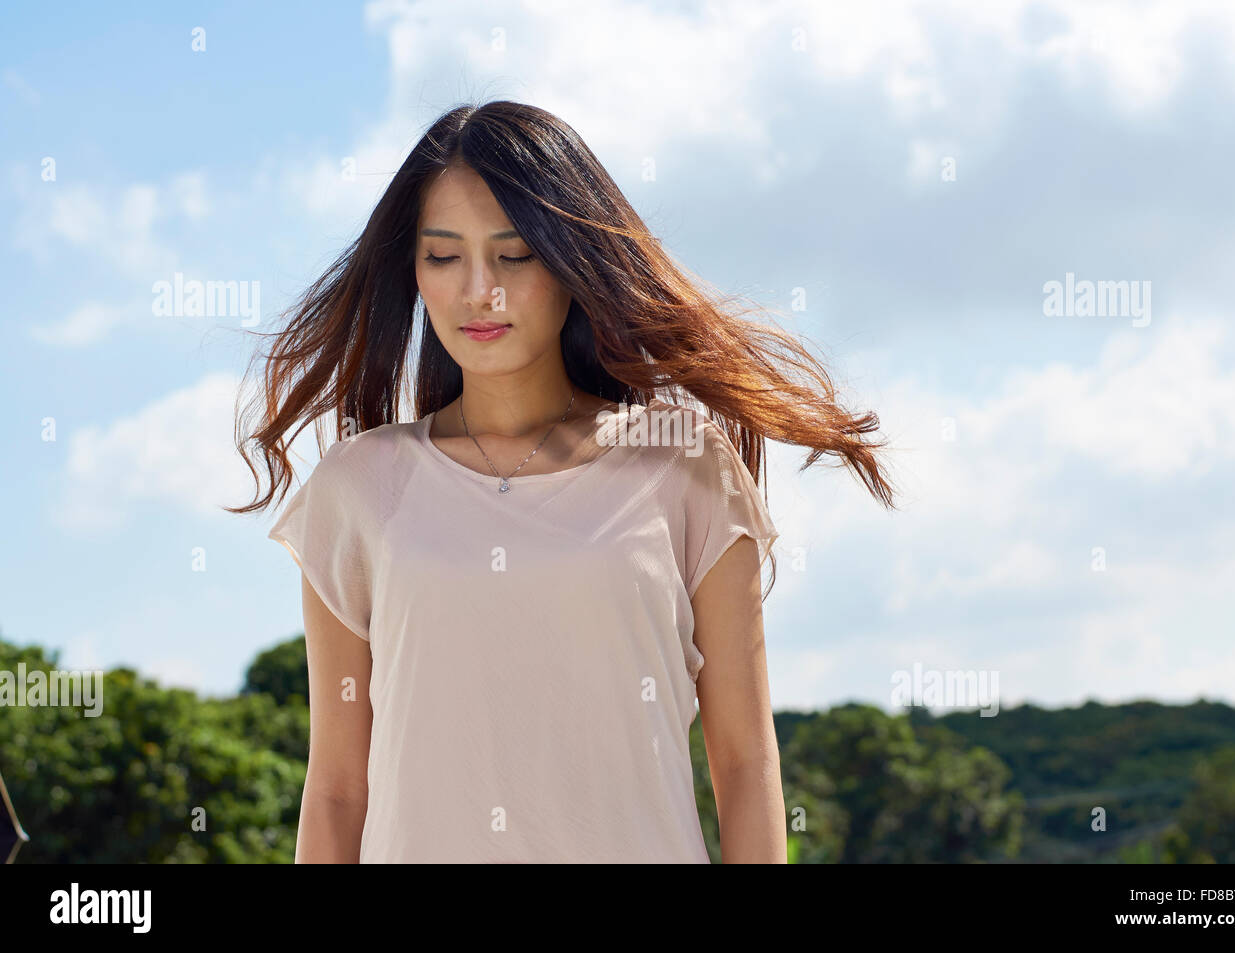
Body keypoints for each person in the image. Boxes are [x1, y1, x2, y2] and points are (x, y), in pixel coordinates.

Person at [230, 100, 895, 863]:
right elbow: (340, 789)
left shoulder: (684, 464)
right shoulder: (358, 489)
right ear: (413, 271)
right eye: (444, 256)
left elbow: (745, 764)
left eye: (513, 255)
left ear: (572, 259)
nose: (480, 289)